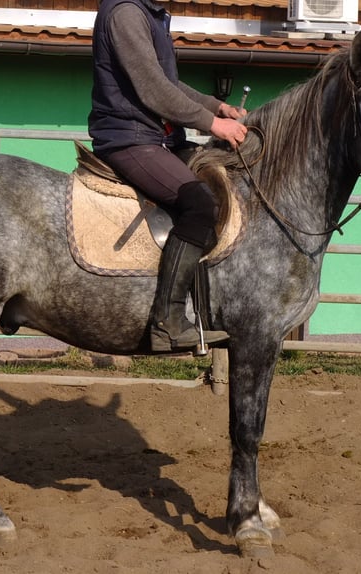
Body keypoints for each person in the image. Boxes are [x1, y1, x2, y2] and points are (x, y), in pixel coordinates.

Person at [88, 0, 248, 352]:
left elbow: (168, 82)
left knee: (224, 177)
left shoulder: (152, 15)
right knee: (200, 205)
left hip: (156, 138)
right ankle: (168, 322)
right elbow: (152, 89)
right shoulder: (126, 13)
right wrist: (214, 124)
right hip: (129, 138)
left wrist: (215, 106)